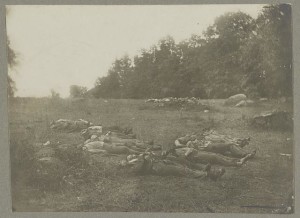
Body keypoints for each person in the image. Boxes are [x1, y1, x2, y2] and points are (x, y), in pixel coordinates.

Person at [120, 152, 225, 180]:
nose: (133, 155)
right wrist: (142, 158)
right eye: (130, 156)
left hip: (161, 163)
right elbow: (138, 169)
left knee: (181, 165)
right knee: (181, 170)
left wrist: (147, 156)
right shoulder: (134, 165)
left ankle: (203, 170)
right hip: (158, 168)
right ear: (129, 161)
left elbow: (148, 158)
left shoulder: (137, 159)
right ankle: (209, 175)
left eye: (131, 155)